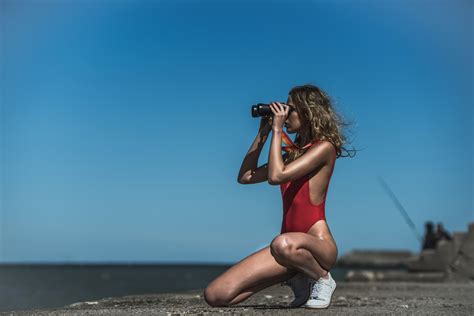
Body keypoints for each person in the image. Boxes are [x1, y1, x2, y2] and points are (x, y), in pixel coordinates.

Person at [204, 84, 355, 309]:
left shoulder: (324, 148)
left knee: (282, 244)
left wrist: (277, 130)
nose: (283, 115)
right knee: (215, 295)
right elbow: (245, 176)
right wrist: (263, 134)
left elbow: (276, 176)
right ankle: (298, 276)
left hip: (317, 246)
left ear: (308, 112)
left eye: (289, 109)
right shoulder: (289, 154)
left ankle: (322, 278)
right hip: (286, 250)